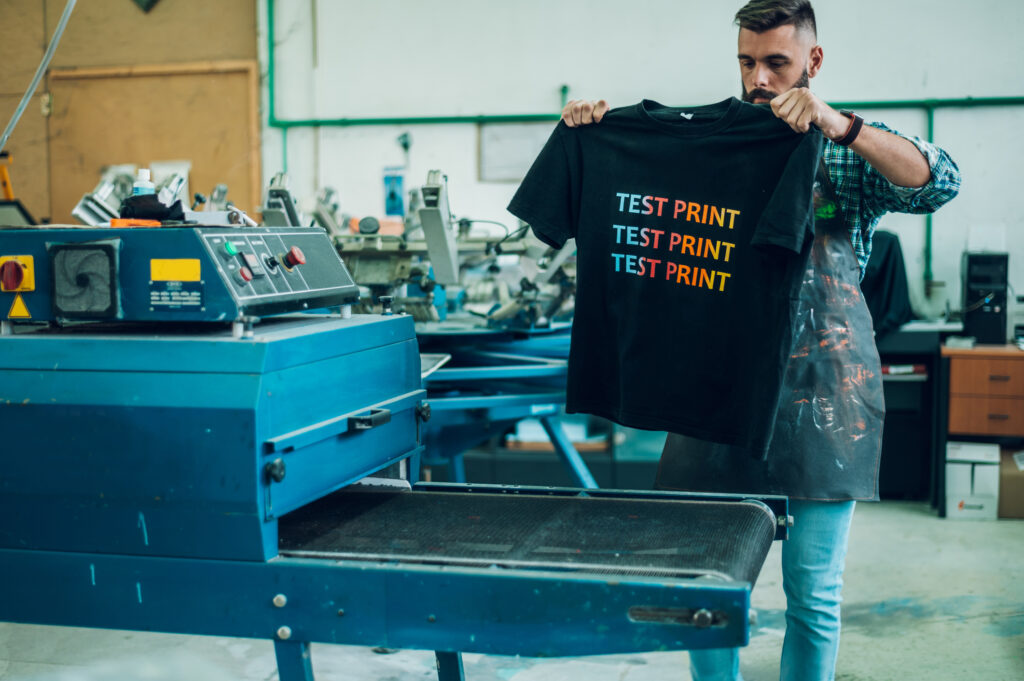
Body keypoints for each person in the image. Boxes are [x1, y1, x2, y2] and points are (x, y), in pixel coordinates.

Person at [559, 2, 961, 680]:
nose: (760, 80)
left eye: (776, 62)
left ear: (813, 60)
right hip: (711, 399)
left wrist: (842, 124)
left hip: (825, 402)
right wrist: (595, 135)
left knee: (813, 594)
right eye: (747, 62)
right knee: (701, 589)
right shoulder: (704, 149)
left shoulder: (844, 150)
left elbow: (939, 180)